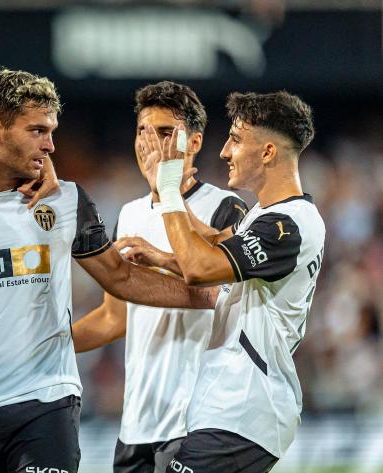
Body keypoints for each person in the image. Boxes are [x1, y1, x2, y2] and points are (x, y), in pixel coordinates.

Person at [0, 68, 217, 473]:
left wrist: (203, 296)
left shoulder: (66, 199)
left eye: (51, 131)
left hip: (46, 402)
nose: (51, 146)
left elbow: (119, 277)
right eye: (37, 131)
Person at [137, 91, 325, 472]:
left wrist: (171, 187)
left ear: (269, 153)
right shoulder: (267, 215)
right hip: (234, 409)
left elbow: (200, 267)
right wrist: (162, 198)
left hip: (246, 407)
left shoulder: (287, 226)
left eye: (236, 140)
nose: (224, 152)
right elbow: (212, 244)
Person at [72, 81, 247, 473]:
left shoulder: (224, 208)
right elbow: (114, 318)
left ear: (195, 142)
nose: (150, 143)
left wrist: (167, 192)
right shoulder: (130, 214)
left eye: (165, 133)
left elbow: (222, 288)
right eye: (142, 131)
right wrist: (51, 345)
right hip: (137, 423)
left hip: (195, 418)